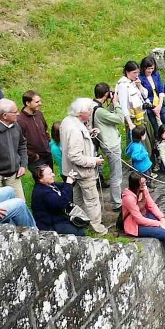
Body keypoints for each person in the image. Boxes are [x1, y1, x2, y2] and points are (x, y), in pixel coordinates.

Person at [60, 97, 107, 234]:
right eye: (89, 110)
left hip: (71, 171)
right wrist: (94, 161)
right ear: (81, 113)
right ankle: (97, 227)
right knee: (91, 199)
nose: (92, 111)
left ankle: (82, 222)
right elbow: (75, 156)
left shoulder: (68, 121)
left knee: (78, 198)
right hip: (83, 172)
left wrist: (89, 133)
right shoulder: (75, 130)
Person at [92, 82, 126, 210]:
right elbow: (120, 119)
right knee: (116, 175)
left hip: (106, 143)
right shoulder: (99, 111)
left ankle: (116, 199)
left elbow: (106, 116)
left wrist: (111, 105)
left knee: (115, 174)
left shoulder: (94, 105)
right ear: (106, 94)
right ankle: (117, 202)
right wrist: (116, 102)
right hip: (111, 145)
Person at [138, 56, 165, 154]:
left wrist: (160, 105)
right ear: (143, 68)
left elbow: (161, 89)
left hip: (160, 105)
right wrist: (153, 108)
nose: (150, 70)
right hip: (150, 108)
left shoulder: (156, 75)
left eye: (152, 68)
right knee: (158, 132)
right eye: (148, 68)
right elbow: (143, 95)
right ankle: (163, 154)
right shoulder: (140, 78)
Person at [30, 163, 86, 235]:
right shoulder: (42, 192)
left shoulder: (49, 185)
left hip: (57, 219)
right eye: (50, 174)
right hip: (49, 225)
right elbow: (61, 203)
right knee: (80, 233)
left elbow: (64, 186)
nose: (53, 174)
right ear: (40, 179)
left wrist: (70, 179)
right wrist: (68, 183)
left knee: (81, 226)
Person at [117, 61, 152, 139]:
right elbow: (123, 106)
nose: (136, 75)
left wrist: (140, 86)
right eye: (134, 73)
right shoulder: (123, 85)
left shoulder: (134, 82)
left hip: (142, 113)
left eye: (138, 73)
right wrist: (130, 123)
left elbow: (145, 95)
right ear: (127, 72)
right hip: (134, 118)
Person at [17, 90, 52, 170]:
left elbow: (45, 130)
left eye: (40, 101)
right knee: (41, 181)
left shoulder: (39, 114)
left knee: (50, 178)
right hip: (36, 159)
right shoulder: (20, 121)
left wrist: (48, 143)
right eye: (37, 102)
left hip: (47, 153)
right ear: (28, 103)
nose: (40, 103)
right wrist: (33, 156)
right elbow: (19, 142)